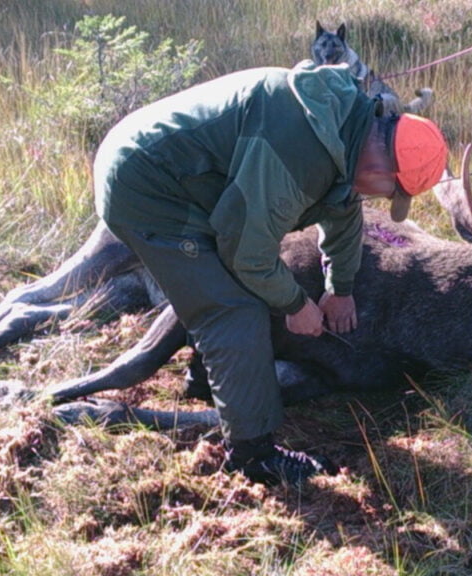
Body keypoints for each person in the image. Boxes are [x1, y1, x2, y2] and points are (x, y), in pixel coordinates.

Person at [92, 61, 448, 485]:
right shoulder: (296, 155)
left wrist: (341, 288)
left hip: (190, 174)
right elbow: (246, 251)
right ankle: (252, 455)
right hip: (146, 182)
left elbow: (342, 211)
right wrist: (295, 304)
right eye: (389, 191)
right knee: (232, 309)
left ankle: (204, 375)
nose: (378, 199)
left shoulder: (345, 127)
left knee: (235, 278)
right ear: (380, 169)